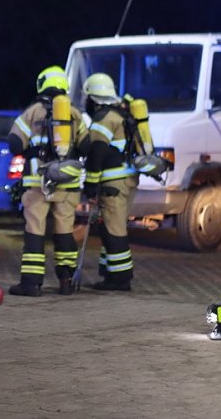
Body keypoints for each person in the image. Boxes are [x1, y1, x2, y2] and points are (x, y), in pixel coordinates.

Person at [7, 66, 89, 297]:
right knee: (65, 230)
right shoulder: (74, 114)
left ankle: (31, 284)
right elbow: (86, 146)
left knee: (35, 230)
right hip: (68, 183)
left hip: (39, 183)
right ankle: (66, 281)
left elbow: (14, 143)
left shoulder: (32, 112)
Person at [82, 72, 138, 291]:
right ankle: (110, 274)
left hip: (113, 182)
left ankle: (121, 279)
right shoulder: (122, 113)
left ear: (93, 98)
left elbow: (97, 152)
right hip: (127, 179)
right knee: (112, 227)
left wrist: (90, 185)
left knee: (114, 231)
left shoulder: (103, 119)